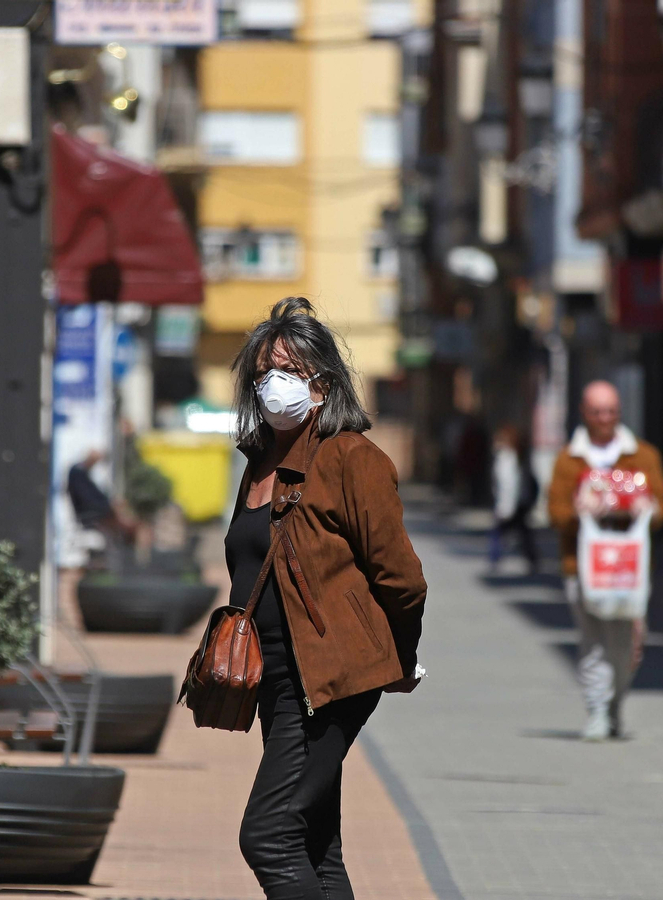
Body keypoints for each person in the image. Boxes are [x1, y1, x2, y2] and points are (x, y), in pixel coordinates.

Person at [226, 297, 427, 900]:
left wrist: (399, 658)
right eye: (263, 373)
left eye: (287, 370)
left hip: (328, 679)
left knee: (267, 835)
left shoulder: (351, 457)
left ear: (323, 380)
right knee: (312, 843)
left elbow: (403, 577)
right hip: (273, 677)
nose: (273, 385)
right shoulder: (259, 462)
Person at [548, 381, 663, 741]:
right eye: (598, 412)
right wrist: (579, 512)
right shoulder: (569, 459)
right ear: (585, 413)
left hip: (629, 570)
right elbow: (555, 512)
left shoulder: (643, 456)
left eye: (611, 411)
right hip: (582, 569)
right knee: (593, 643)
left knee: (627, 646)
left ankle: (616, 702)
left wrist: (646, 509)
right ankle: (598, 712)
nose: (605, 419)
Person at [489, 424, 539, 575]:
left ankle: (496, 558)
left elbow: (509, 485)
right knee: (520, 533)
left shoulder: (509, 458)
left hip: (514, 503)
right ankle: (496, 558)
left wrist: (505, 506)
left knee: (511, 533)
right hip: (512, 503)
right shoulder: (506, 457)